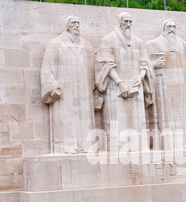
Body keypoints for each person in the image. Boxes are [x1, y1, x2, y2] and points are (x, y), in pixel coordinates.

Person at [95, 12, 154, 151]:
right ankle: (118, 149)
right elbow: (106, 63)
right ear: (120, 22)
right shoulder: (108, 40)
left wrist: (140, 77)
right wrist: (119, 82)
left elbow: (145, 63)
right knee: (117, 121)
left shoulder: (138, 42)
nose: (128, 24)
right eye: (125, 21)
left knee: (137, 121)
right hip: (115, 87)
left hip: (135, 86)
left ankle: (138, 147)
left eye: (130, 21)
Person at [40, 16, 95, 154]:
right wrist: (52, 87)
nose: (76, 25)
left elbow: (93, 68)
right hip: (65, 89)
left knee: (84, 116)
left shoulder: (86, 45)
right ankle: (66, 146)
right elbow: (47, 67)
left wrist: (96, 89)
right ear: (67, 26)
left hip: (83, 88)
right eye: (73, 23)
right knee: (66, 117)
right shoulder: (56, 43)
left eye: (78, 23)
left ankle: (85, 145)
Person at [145, 19, 186, 151]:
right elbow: (144, 64)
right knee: (164, 117)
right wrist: (154, 65)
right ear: (163, 29)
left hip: (181, 87)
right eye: (169, 26)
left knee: (182, 117)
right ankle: (166, 145)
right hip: (163, 86)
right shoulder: (153, 44)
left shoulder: (183, 45)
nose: (172, 29)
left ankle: (184, 145)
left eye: (174, 26)